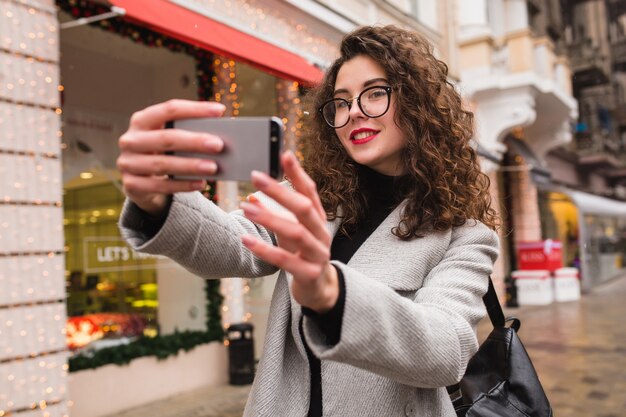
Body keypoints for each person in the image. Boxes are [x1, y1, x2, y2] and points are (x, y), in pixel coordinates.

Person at [117, 25, 499, 417]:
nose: (354, 113)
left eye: (376, 93)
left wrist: (331, 293)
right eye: (341, 101)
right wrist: (160, 202)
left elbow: (445, 350)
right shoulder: (312, 194)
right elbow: (237, 243)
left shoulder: (464, 235)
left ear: (419, 104)